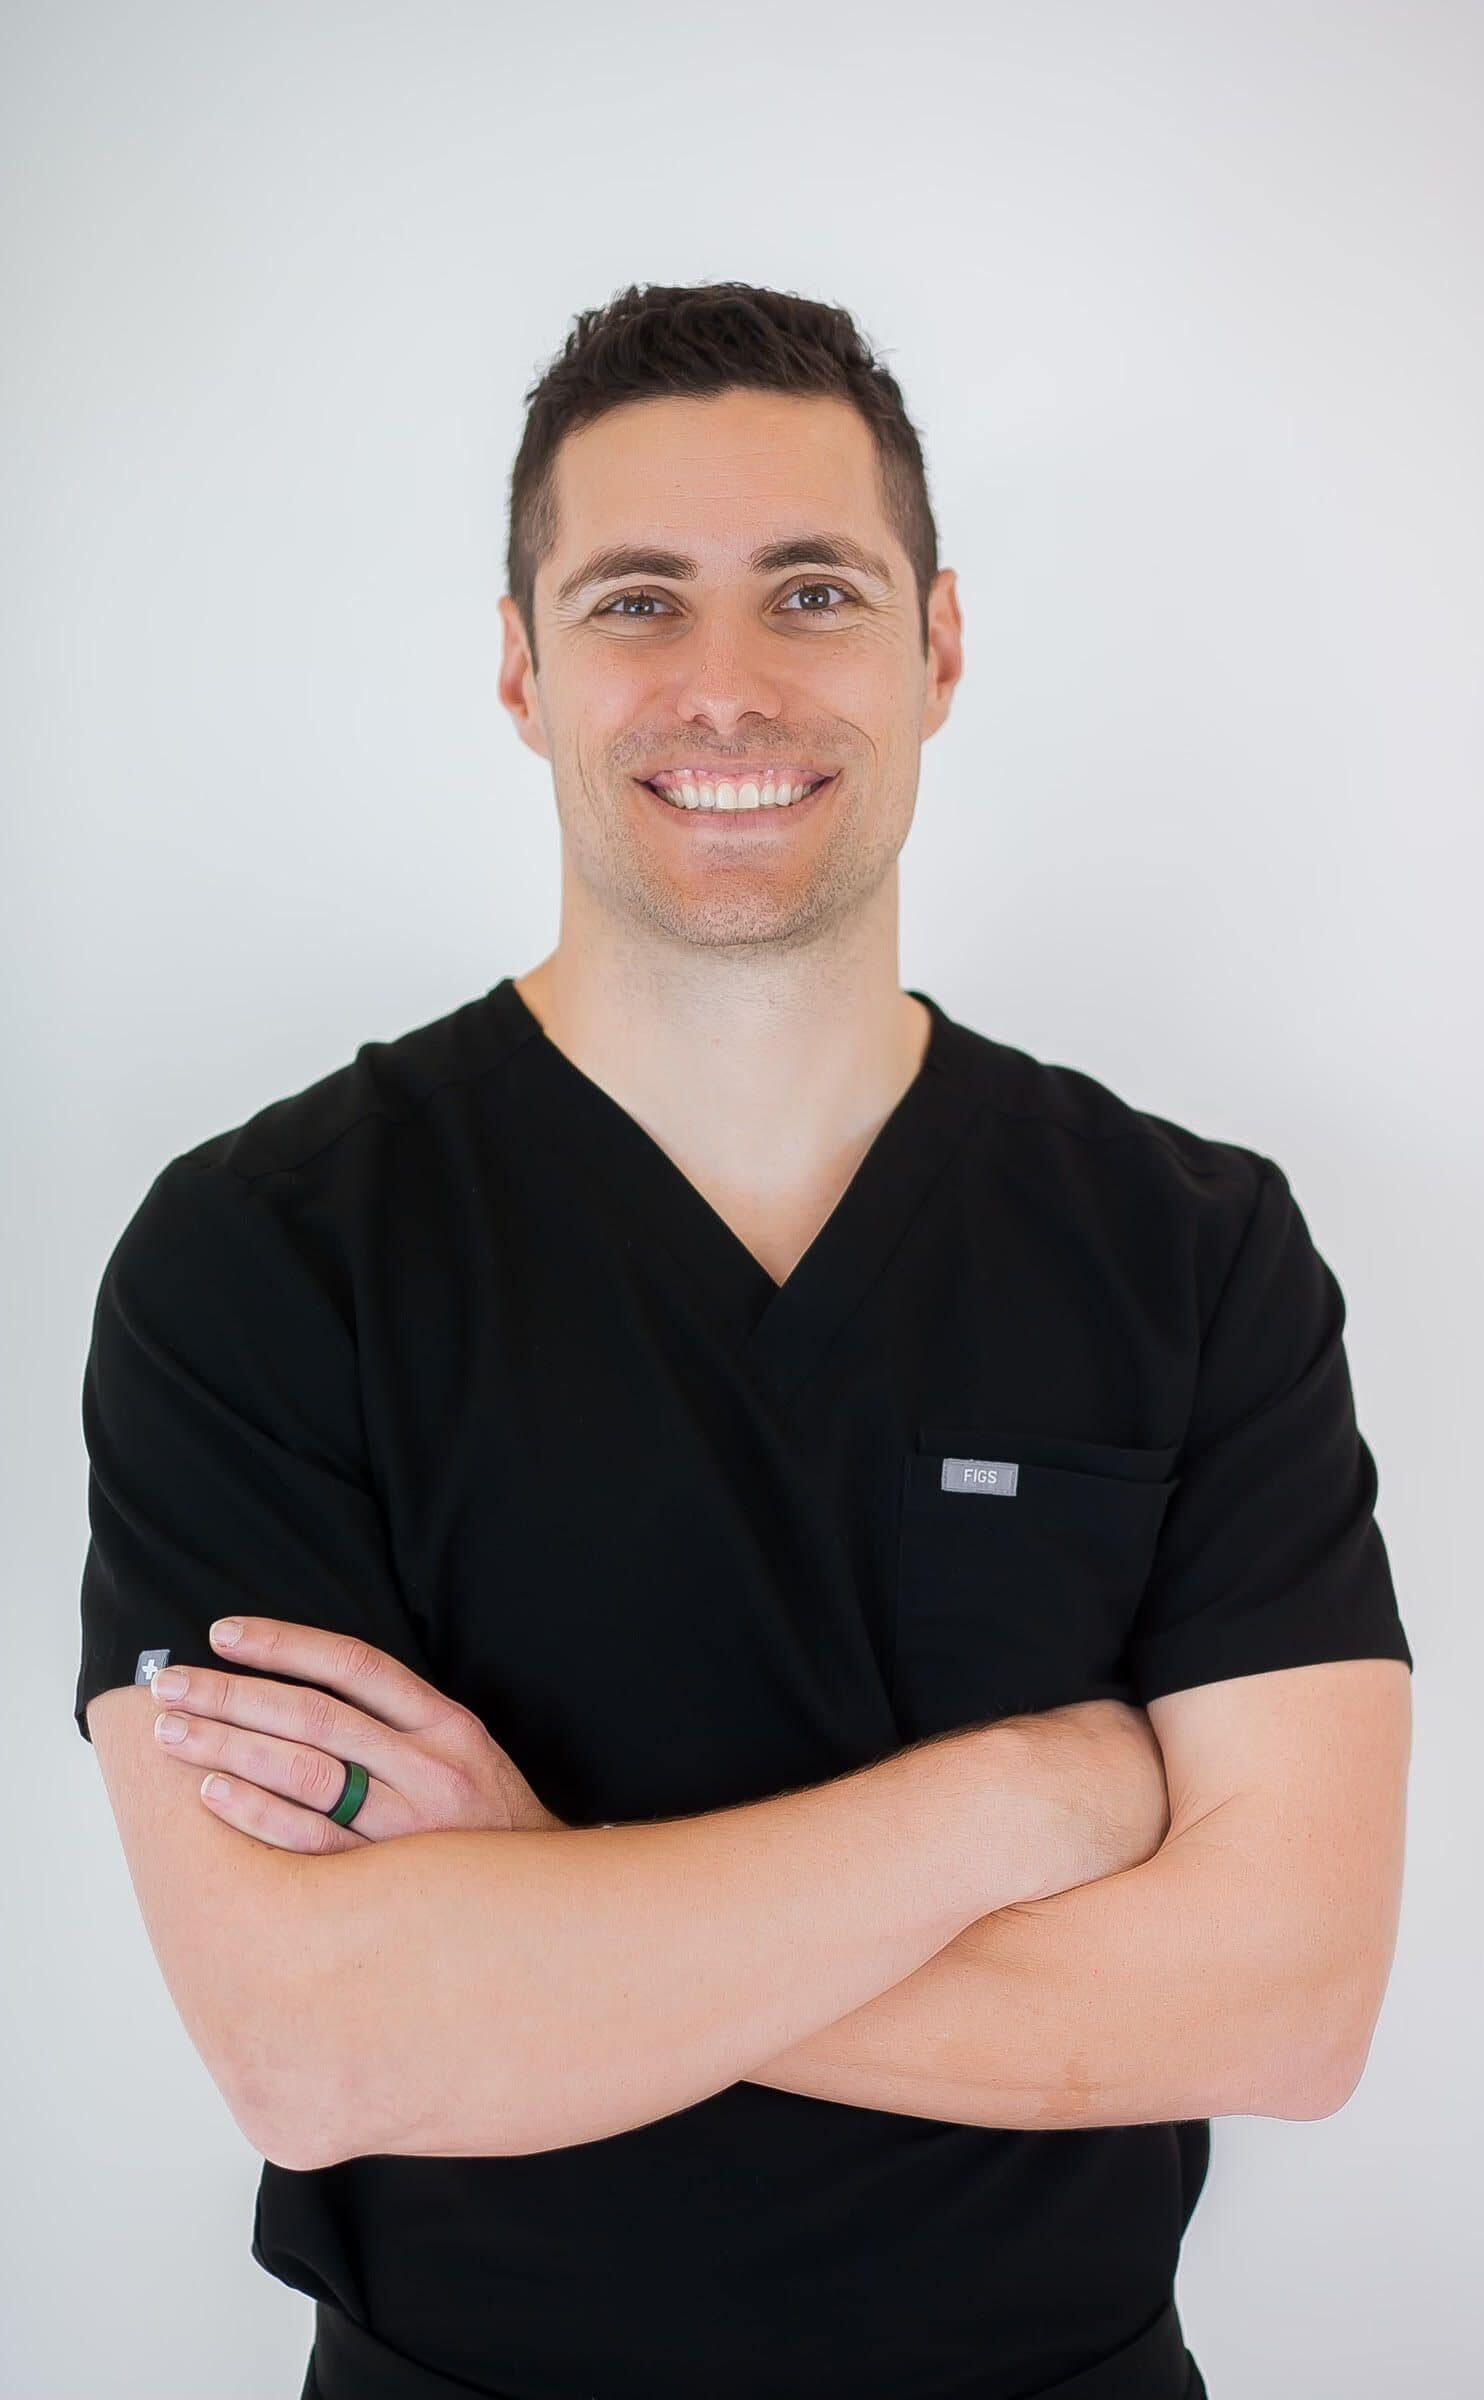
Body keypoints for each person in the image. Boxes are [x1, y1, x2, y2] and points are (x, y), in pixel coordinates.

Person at [75, 281, 1413, 2400]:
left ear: (936, 646)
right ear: (521, 668)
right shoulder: (263, 1256)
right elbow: (316, 2044)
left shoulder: (1189, 1245)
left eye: (810, 589)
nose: (726, 685)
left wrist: (532, 1921)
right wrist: (1022, 1802)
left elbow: (1287, 2008)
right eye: (633, 602)